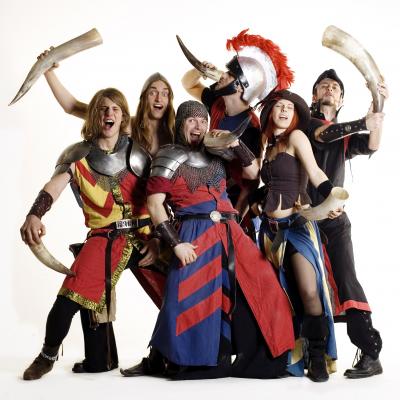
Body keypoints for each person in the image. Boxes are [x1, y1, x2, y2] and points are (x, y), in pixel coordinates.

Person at [122, 100, 295, 380]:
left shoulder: (218, 154)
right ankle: (169, 358)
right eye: (191, 120)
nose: (198, 126)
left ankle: (262, 359)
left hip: (231, 231)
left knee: (263, 282)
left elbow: (253, 174)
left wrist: (234, 143)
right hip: (194, 232)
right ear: (181, 124)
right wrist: (176, 243)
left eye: (203, 121)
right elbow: (154, 204)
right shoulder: (168, 155)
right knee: (185, 297)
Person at [35, 53, 176, 372]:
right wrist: (48, 71)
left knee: (181, 288)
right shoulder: (126, 123)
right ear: (143, 97)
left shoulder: (176, 133)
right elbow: (73, 106)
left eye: (165, 92)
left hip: (156, 227)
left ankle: (174, 355)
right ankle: (95, 358)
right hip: (113, 229)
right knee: (82, 285)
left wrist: (161, 237)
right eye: (153, 91)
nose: (159, 97)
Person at [246, 90, 339, 382]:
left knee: (309, 291)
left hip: (297, 227)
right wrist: (255, 202)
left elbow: (316, 173)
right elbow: (271, 183)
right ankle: (289, 354)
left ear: (295, 114)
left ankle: (317, 356)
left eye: (290, 107)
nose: (285, 110)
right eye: (280, 106)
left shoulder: (297, 137)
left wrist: (332, 198)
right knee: (283, 297)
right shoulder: (266, 144)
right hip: (270, 233)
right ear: (270, 112)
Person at [306, 69, 386, 378]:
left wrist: (378, 107)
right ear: (314, 95)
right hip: (301, 220)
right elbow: (325, 134)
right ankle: (307, 353)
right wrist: (363, 121)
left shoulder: (345, 136)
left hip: (335, 220)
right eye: (323, 85)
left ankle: (370, 353)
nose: (329, 89)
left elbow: (373, 144)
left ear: (340, 100)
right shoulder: (305, 123)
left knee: (346, 281)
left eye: (335, 88)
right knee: (303, 286)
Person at [181, 30, 293, 236]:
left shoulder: (252, 127)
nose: (223, 75)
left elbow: (252, 179)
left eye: (230, 74)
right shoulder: (218, 103)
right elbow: (188, 83)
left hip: (231, 203)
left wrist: (236, 216)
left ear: (241, 87)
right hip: (205, 194)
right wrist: (201, 70)